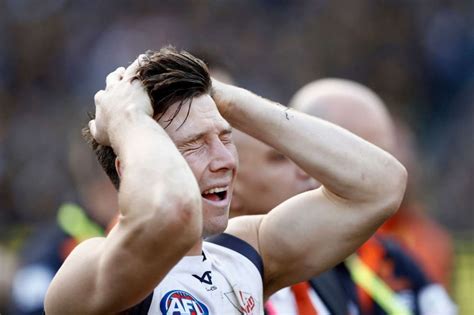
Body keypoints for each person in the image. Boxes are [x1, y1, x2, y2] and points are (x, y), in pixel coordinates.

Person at [44, 47, 407, 314]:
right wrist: (126, 118)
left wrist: (220, 96)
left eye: (224, 137)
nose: (225, 161)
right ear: (130, 168)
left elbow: (380, 186)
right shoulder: (91, 271)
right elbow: (173, 214)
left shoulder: (243, 253)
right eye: (195, 145)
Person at [290, 78, 457, 315]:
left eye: (390, 158)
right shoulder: (270, 263)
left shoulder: (394, 257)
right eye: (375, 157)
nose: (396, 173)